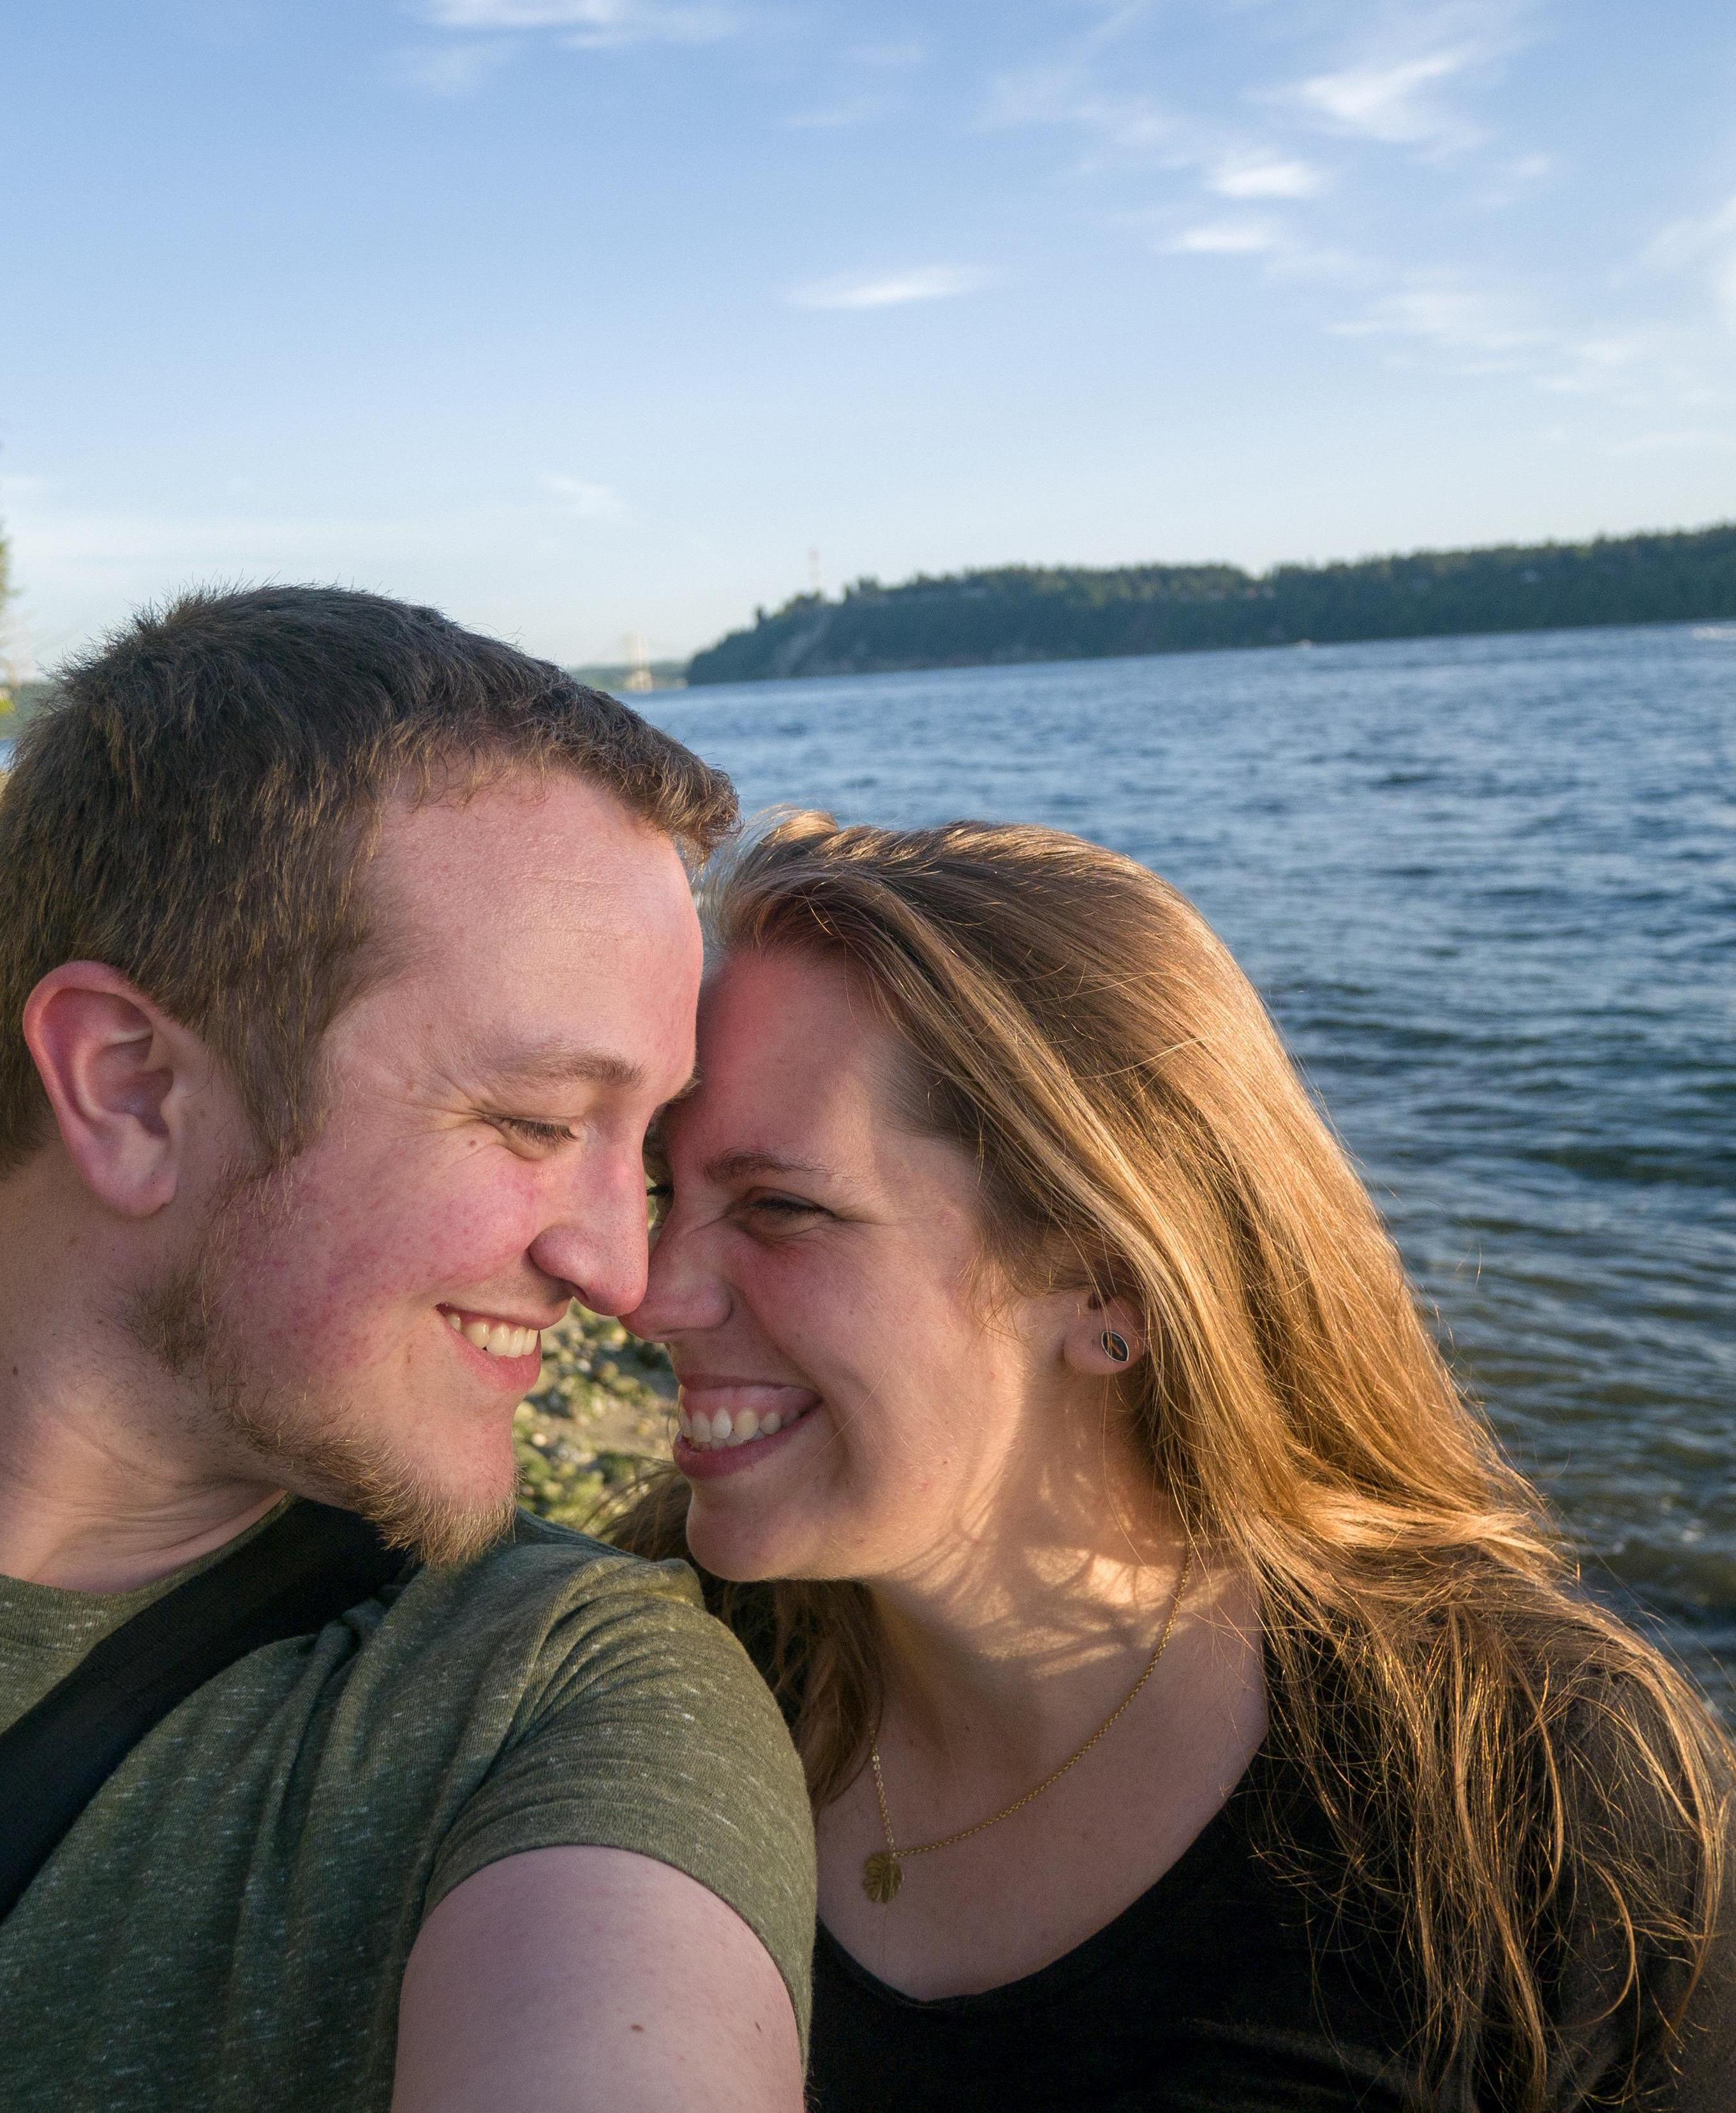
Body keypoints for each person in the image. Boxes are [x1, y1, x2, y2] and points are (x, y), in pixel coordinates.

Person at [0, 588, 815, 2112]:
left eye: (640, 1149)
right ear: (130, 1090)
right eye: (534, 1123)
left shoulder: (543, 1703)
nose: (623, 1268)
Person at [615, 811, 1735, 2112]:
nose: (645, 1296)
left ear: (1108, 1284)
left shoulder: (1537, 1799)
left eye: (779, 1209)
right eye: (659, 1195)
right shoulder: (641, 1669)